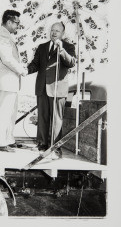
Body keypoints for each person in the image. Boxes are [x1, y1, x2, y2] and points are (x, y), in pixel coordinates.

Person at [27, 22, 76, 154]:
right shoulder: (42, 47)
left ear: (63, 33)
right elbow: (35, 64)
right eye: (52, 30)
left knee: (56, 118)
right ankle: (42, 143)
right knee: (42, 117)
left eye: (57, 31)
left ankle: (55, 146)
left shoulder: (68, 46)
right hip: (42, 87)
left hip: (58, 88)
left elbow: (71, 63)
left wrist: (62, 50)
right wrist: (24, 70)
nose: (54, 33)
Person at [0, 10, 27, 152]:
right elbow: (7, 59)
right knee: (4, 112)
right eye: (17, 23)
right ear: (9, 22)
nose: (18, 26)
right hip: (6, 80)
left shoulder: (6, 36)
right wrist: (21, 70)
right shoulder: (2, 36)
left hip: (9, 81)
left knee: (10, 112)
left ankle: (8, 139)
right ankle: (0, 143)